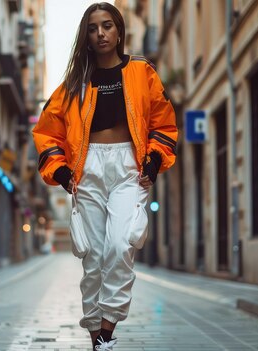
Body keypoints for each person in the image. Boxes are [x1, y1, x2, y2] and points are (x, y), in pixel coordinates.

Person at [32, 2, 177, 350]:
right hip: (88, 170)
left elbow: (162, 122)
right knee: (93, 256)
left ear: (119, 31)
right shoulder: (72, 86)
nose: (101, 33)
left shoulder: (142, 74)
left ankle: (107, 330)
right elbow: (47, 133)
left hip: (129, 167)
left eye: (108, 26)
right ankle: (98, 338)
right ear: (86, 36)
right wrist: (63, 172)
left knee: (120, 243)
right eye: (94, 28)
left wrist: (154, 161)